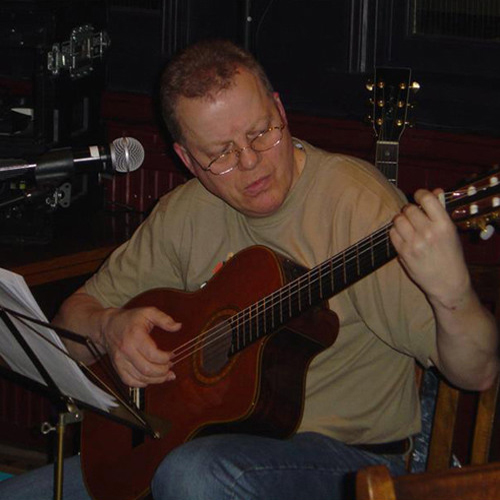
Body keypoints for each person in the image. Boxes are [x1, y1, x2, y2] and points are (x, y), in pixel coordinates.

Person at [1, 39, 497, 500]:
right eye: (220, 154)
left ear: (280, 110)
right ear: (186, 159)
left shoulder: (359, 208)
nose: (251, 162)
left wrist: (453, 292)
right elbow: (68, 327)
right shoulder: (185, 213)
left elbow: (476, 373)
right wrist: (109, 328)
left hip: (346, 462)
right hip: (192, 442)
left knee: (194, 475)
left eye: (261, 132)